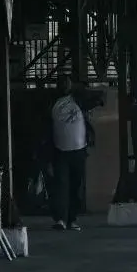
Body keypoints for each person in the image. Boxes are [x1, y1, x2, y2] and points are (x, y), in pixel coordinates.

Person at [50, 75, 88, 231]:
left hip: (78, 150)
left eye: (68, 83)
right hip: (60, 151)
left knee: (75, 186)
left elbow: (93, 97)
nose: (65, 86)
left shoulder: (78, 100)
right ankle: (61, 219)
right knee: (61, 186)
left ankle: (72, 219)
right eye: (62, 83)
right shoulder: (53, 103)